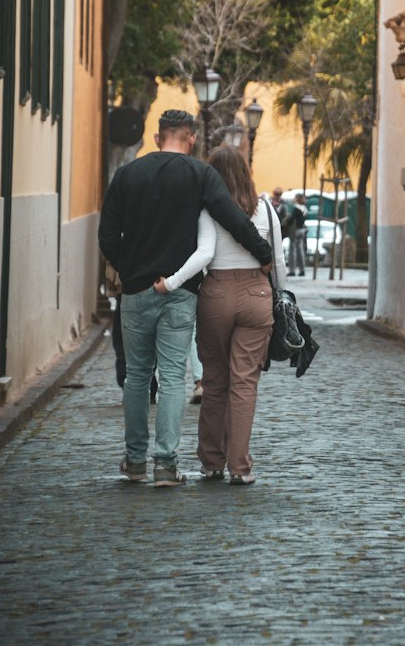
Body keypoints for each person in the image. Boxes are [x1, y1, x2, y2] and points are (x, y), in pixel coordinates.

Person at [98, 109, 272, 488]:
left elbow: (107, 234)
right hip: (180, 294)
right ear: (191, 139)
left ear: (158, 137)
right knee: (175, 376)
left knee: (137, 377)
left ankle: (134, 460)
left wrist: (129, 270)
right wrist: (262, 253)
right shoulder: (200, 174)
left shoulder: (126, 175)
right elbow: (232, 217)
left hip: (136, 290)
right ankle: (165, 465)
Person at [194, 146, 287, 486]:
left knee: (214, 379)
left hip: (216, 292)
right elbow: (277, 260)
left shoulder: (206, 209)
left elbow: (201, 254)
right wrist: (285, 301)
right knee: (245, 382)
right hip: (256, 293)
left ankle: (211, 462)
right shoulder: (265, 209)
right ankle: (240, 466)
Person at [288, 192, 308, 276]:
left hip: (295, 231)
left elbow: (291, 219)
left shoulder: (296, 208)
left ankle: (292, 270)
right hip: (302, 230)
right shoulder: (305, 208)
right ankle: (302, 269)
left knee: (292, 251)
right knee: (301, 250)